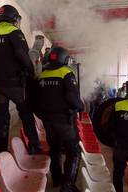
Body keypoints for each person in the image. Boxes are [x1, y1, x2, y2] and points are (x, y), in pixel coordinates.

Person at [0, 5, 41, 155]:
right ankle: (34, 146)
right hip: (16, 85)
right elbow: (23, 57)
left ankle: (0, 151)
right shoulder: (15, 33)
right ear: (13, 18)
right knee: (26, 115)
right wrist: (31, 73)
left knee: (1, 119)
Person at [31, 46, 84, 192]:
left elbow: (35, 100)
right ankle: (67, 186)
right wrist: (81, 107)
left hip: (48, 121)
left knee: (54, 149)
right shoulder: (67, 73)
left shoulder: (42, 75)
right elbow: (72, 98)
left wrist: (43, 115)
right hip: (65, 120)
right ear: (64, 59)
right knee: (74, 152)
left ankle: (56, 179)